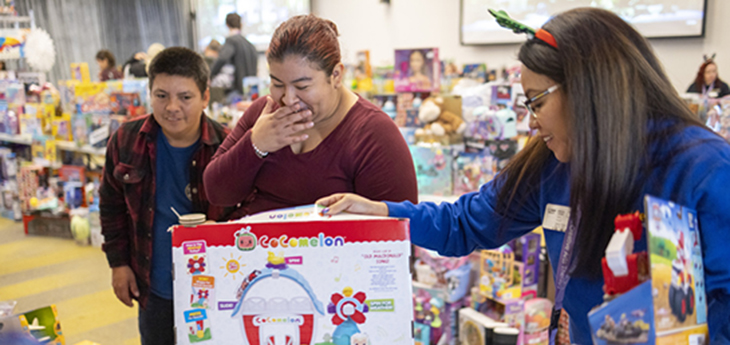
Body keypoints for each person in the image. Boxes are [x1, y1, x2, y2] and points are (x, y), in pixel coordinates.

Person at [316, 8, 730, 344]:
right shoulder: (553, 165)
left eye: (535, 102)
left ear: (586, 90)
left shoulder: (701, 170)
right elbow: (465, 223)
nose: (530, 123)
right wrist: (384, 213)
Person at [203, 14, 417, 217]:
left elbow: (399, 235)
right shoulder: (265, 112)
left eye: (302, 86)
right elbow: (217, 192)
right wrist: (256, 144)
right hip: (255, 249)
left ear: (336, 75)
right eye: (277, 84)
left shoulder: (373, 134)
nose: (288, 98)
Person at [99, 47, 235, 345]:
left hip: (215, 288)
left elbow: (245, 214)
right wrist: (118, 264)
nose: (172, 107)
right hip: (154, 284)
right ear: (149, 93)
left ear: (205, 97)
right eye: (161, 95)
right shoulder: (125, 140)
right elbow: (111, 205)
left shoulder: (228, 146)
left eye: (185, 97)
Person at [210, 13, 258, 98]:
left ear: (227, 25)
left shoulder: (231, 41)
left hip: (237, 92)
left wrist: (210, 75)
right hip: (251, 92)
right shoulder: (250, 45)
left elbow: (222, 59)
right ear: (241, 25)